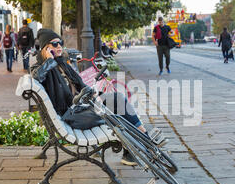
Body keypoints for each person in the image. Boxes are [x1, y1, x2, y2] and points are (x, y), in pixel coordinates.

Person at [31, 29, 158, 166]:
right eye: (55, 44)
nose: (60, 46)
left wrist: (92, 93)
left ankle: (143, 140)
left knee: (116, 99)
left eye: (60, 43)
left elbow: (79, 84)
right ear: (46, 48)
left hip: (79, 107)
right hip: (70, 116)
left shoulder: (61, 64)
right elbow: (36, 76)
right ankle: (139, 145)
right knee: (113, 109)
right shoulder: (41, 66)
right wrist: (49, 61)